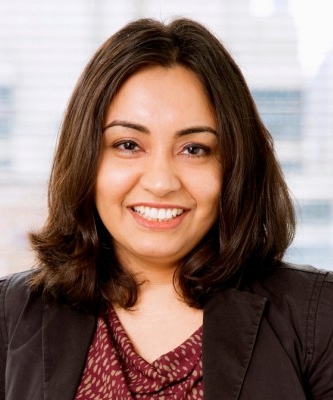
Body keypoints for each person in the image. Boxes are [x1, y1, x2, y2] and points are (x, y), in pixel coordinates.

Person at [0, 17, 332, 400]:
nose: (161, 182)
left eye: (194, 149)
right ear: (85, 159)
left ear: (235, 167)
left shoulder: (318, 320)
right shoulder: (9, 318)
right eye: (127, 145)